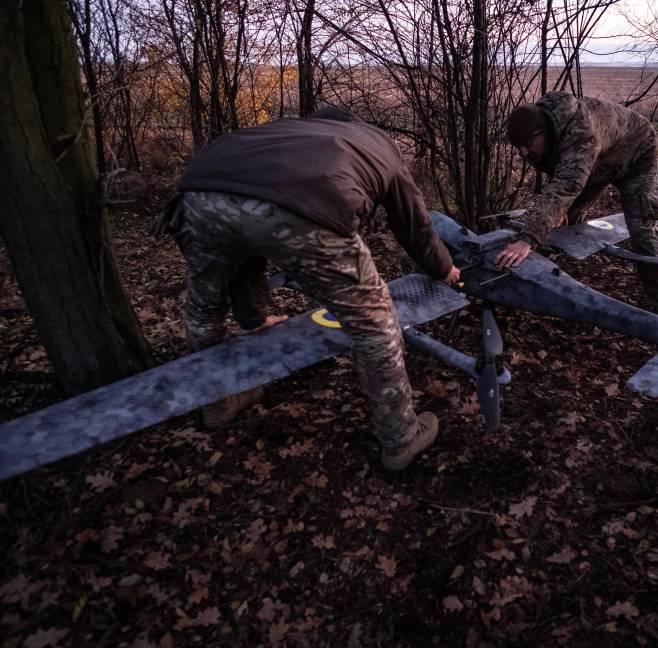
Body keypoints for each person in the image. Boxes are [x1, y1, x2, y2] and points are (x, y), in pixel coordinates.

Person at [155, 106, 461, 471]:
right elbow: (414, 226)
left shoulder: (284, 133)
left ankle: (216, 403)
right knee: (374, 322)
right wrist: (444, 269)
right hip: (304, 207)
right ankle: (402, 438)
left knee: (204, 309)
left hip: (198, 196)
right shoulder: (378, 144)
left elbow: (246, 244)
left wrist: (254, 318)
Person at [494, 92, 658, 317]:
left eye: (527, 144)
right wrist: (559, 212)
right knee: (556, 223)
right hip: (599, 161)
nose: (523, 153)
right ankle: (542, 285)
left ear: (542, 132)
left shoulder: (580, 134)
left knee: (641, 227)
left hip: (636, 151)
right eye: (518, 147)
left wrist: (527, 239)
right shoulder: (545, 135)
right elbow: (560, 176)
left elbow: (565, 186)